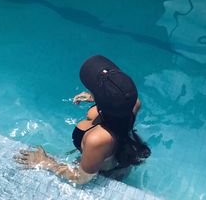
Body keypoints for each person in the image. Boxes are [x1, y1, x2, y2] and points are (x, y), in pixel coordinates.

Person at [14, 55, 151, 184]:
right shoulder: (132, 104)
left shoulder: (97, 139)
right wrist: (97, 98)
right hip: (113, 155)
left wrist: (46, 162)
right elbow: (121, 99)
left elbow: (82, 178)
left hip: (105, 173)